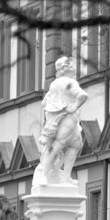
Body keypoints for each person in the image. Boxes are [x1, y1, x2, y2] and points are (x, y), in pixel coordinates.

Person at [33, 56, 89, 187]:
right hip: (68, 120)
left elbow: (43, 103)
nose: (74, 69)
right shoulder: (70, 83)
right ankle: (48, 176)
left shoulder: (54, 84)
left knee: (73, 145)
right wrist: (74, 106)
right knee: (60, 146)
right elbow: (82, 95)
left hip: (54, 120)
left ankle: (56, 177)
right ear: (68, 69)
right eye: (72, 67)